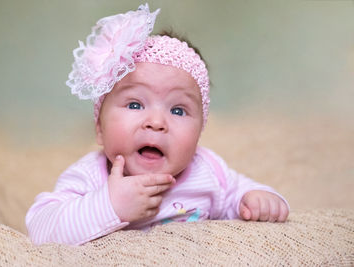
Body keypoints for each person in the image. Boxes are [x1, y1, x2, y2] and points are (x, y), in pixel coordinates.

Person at [26, 4, 289, 245]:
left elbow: (239, 194)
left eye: (178, 110)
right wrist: (108, 204)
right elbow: (41, 228)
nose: (156, 122)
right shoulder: (91, 176)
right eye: (135, 105)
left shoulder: (208, 171)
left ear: (199, 132)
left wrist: (258, 198)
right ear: (99, 128)